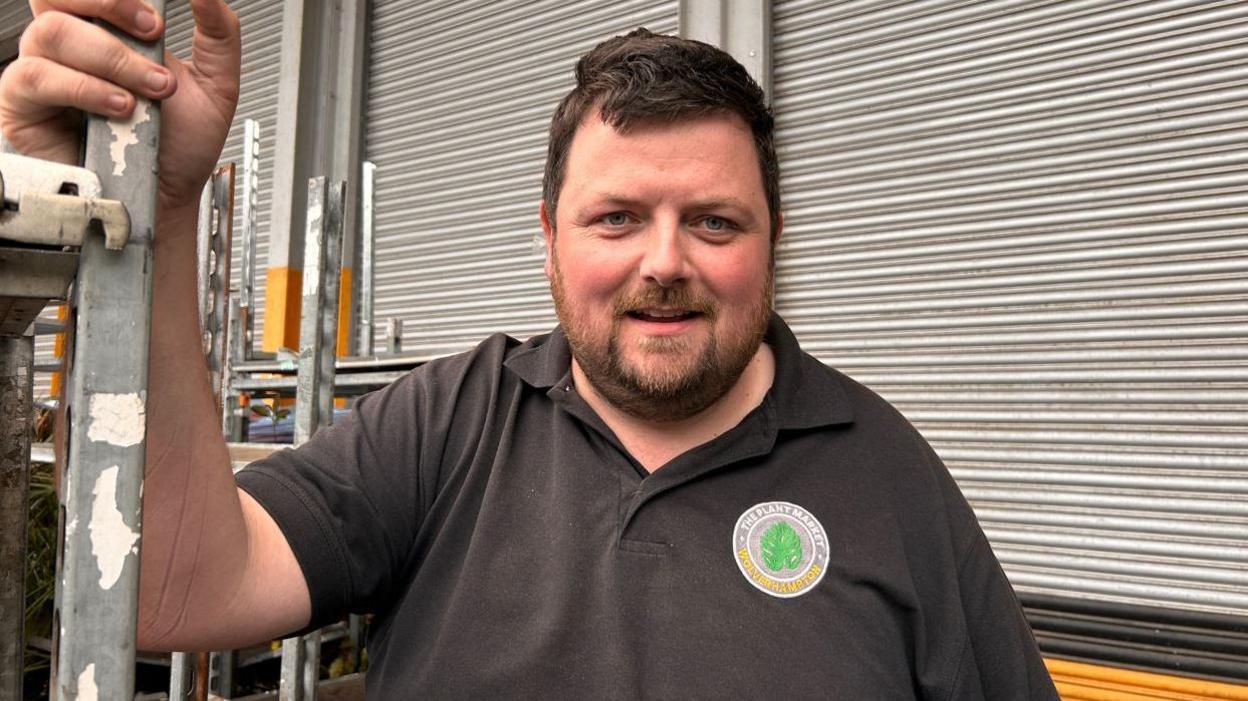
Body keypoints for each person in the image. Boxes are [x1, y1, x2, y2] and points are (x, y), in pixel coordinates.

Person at [1, 1, 1059, 698]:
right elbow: (178, 589)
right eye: (615, 219)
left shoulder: (886, 473)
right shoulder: (449, 421)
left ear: (774, 240)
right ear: (547, 237)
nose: (665, 262)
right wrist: (166, 208)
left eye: (716, 222)